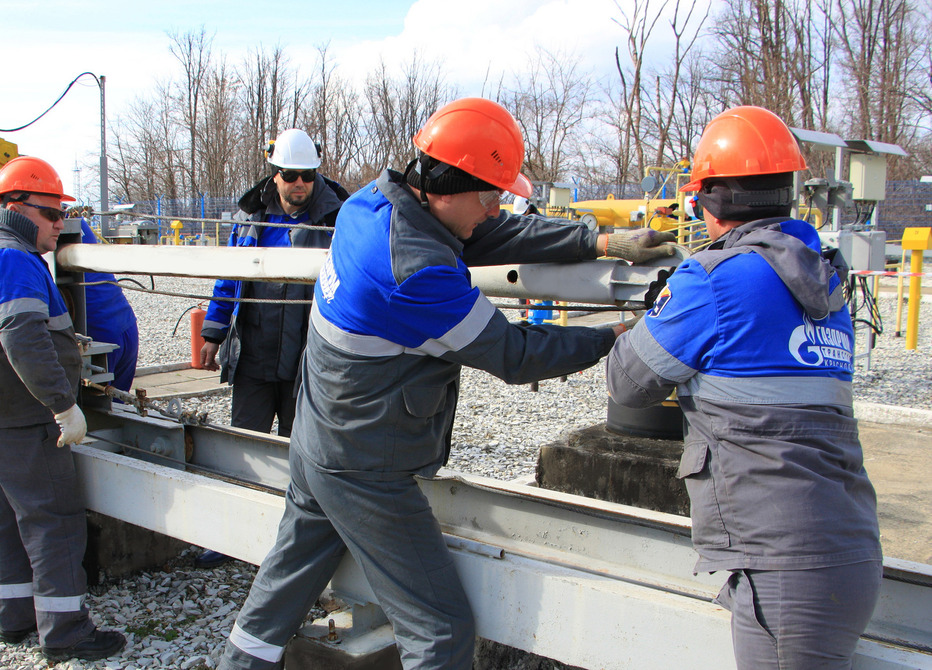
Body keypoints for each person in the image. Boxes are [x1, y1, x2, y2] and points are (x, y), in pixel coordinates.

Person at [216, 97, 677, 670]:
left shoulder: (370, 203)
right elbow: (516, 353)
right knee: (440, 630)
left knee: (284, 584)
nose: (491, 211)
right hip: (363, 464)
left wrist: (598, 242)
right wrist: (620, 335)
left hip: (319, 438)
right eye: (488, 198)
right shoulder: (420, 271)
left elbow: (490, 234)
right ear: (447, 188)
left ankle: (238, 663)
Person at [605, 106, 881, 669]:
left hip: (786, 564)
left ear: (713, 198)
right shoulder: (825, 287)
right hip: (845, 545)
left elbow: (626, 384)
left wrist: (650, 316)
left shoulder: (712, 279)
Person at [0, 156, 127, 662]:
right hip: (21, 413)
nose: (61, 225)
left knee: (6, 512)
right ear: (15, 207)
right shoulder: (12, 258)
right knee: (52, 517)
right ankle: (65, 629)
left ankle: (15, 615)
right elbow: (25, 339)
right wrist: (62, 406)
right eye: (52, 214)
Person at [196, 129, 348, 568]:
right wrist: (213, 332)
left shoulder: (339, 219)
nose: (299, 184)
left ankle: (292, 543)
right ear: (275, 174)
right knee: (242, 443)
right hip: (255, 355)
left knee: (303, 451)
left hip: (310, 359)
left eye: (306, 175)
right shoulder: (250, 218)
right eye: (290, 175)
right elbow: (230, 276)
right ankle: (228, 536)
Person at [80, 219, 139, 392]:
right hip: (125, 323)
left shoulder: (46, 228)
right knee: (118, 404)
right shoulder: (78, 223)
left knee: (97, 405)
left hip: (97, 331)